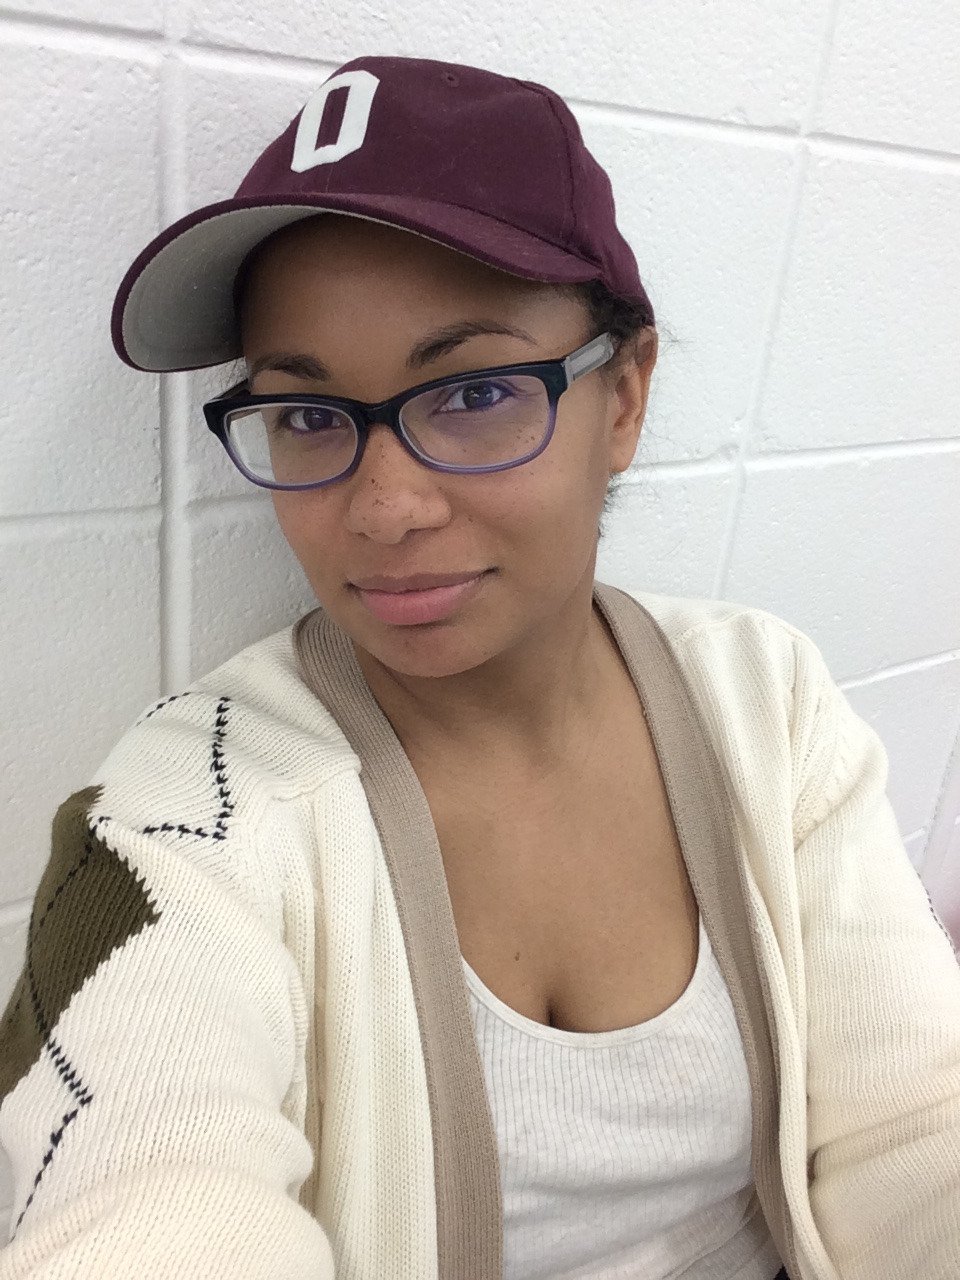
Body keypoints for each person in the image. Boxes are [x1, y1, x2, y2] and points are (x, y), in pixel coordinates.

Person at [1, 53, 958, 1280]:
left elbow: (913, 1127)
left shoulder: (765, 700)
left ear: (625, 398)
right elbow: (140, 1198)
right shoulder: (188, 815)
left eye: (474, 394)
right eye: (307, 415)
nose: (385, 508)